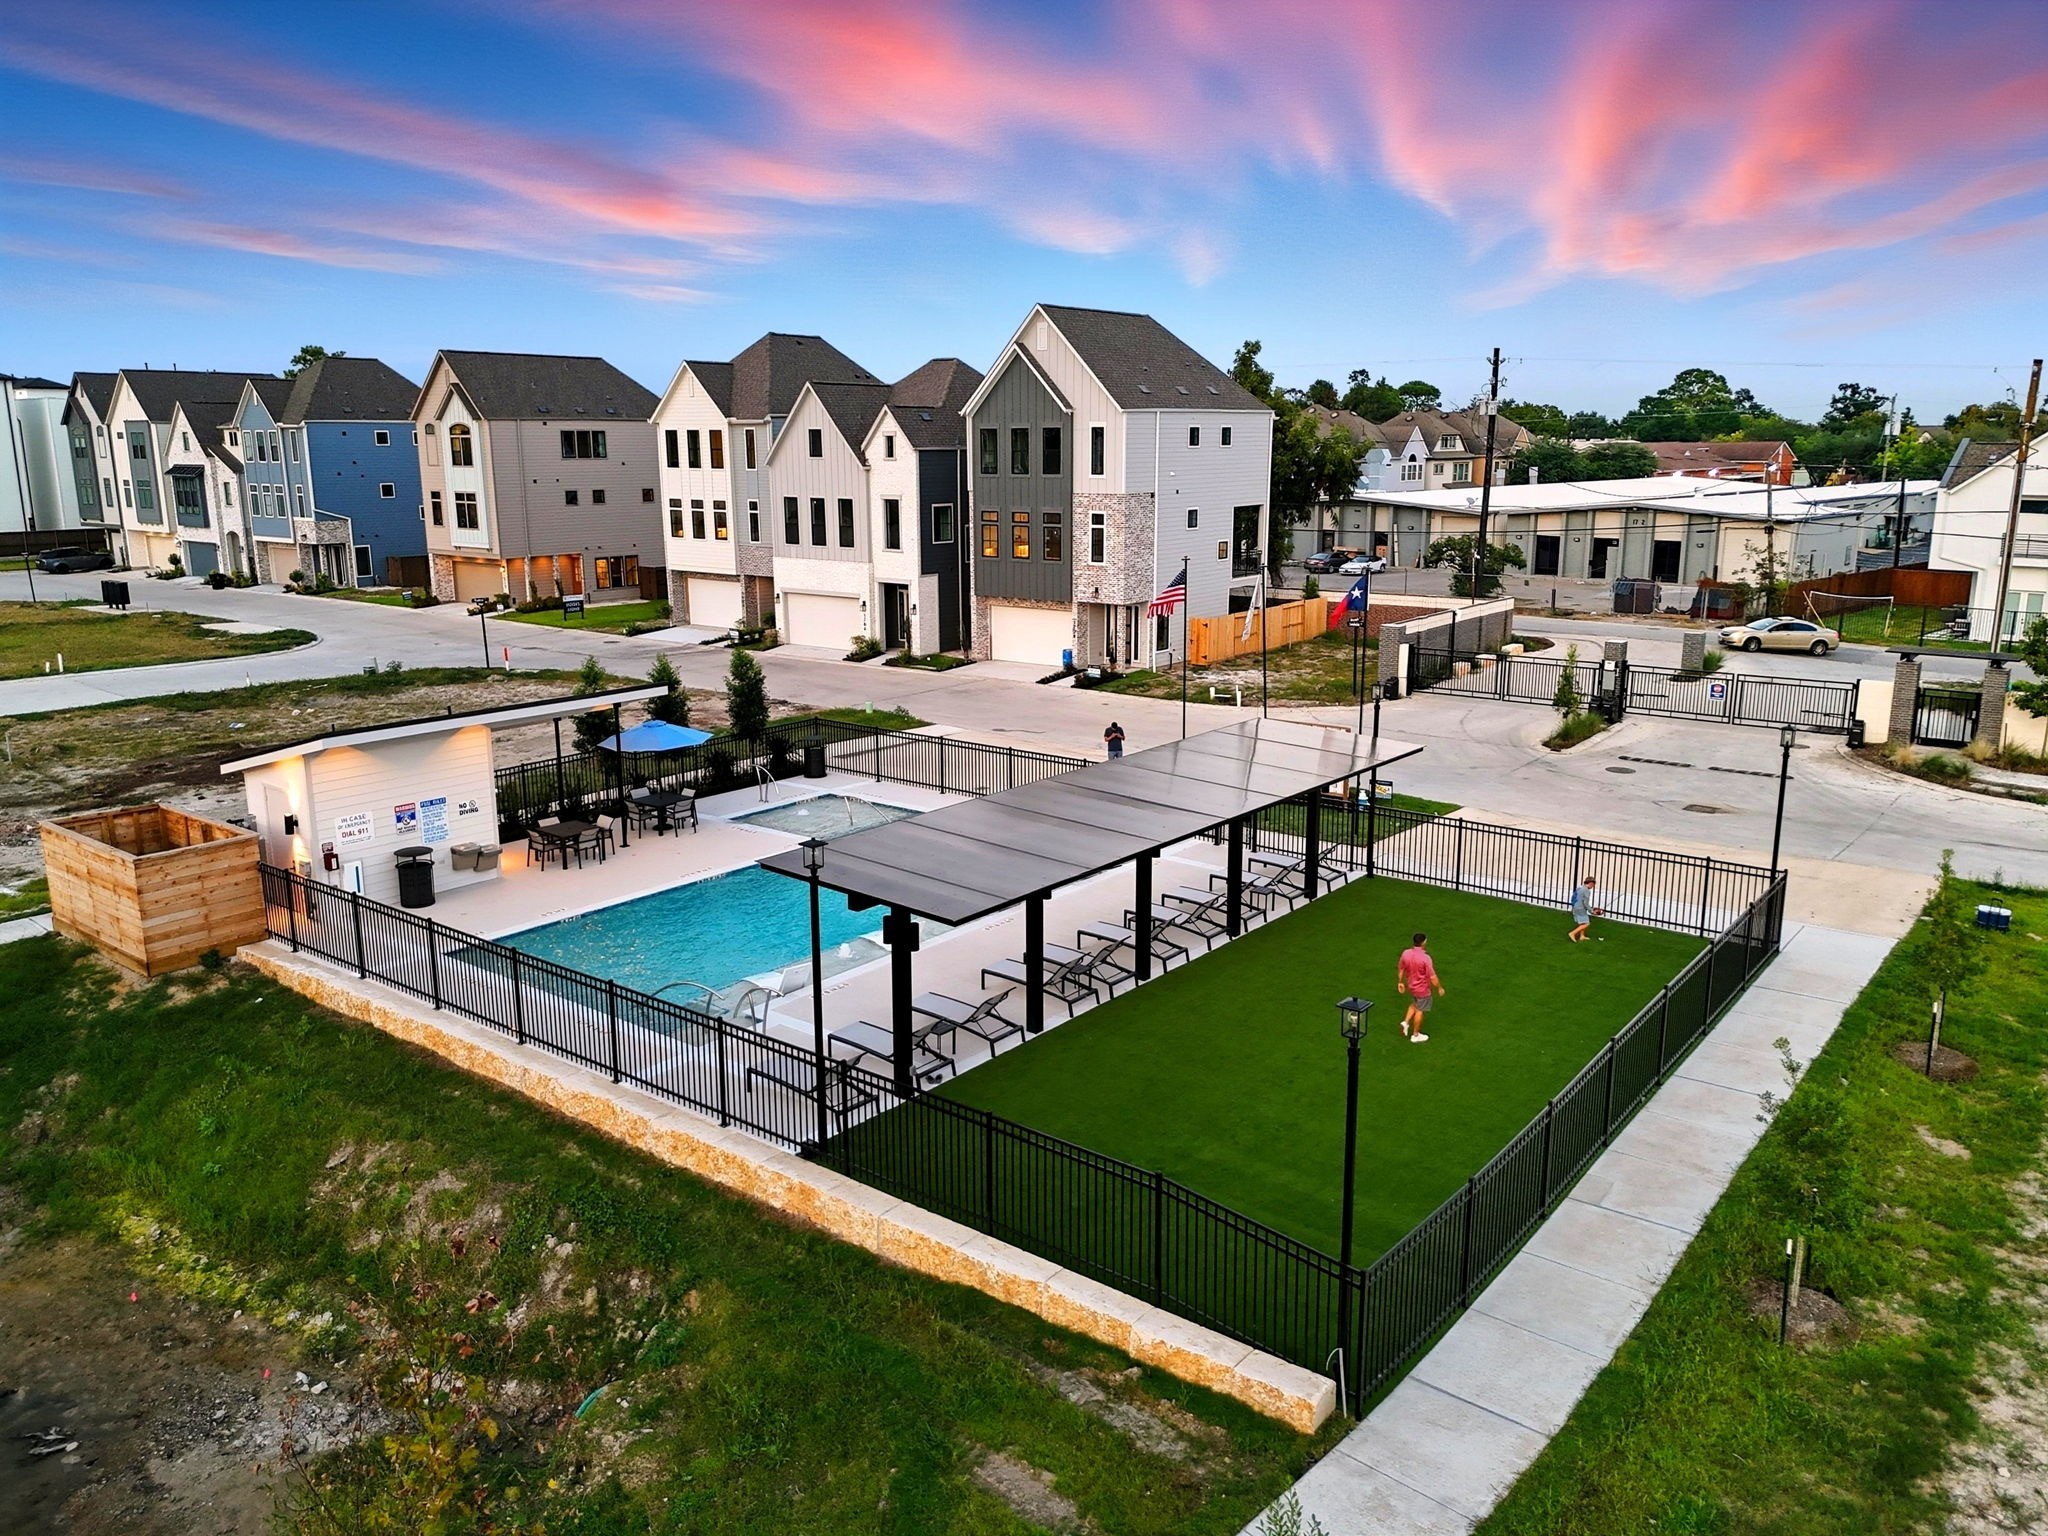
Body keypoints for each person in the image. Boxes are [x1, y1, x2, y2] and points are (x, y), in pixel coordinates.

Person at [1396, 932, 1444, 1042]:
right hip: (1422, 989)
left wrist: (1400, 982)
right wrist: (1439, 987)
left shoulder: (1406, 953)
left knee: (1415, 1003)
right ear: (1423, 943)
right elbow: (1432, 977)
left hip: (1411, 986)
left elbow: (1401, 969)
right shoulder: (1425, 958)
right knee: (1420, 1010)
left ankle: (1406, 1023)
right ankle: (1415, 1035)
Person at [1568, 876, 1602, 942]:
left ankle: (1582, 936)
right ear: (1591, 883)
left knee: (1582, 922)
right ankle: (1572, 933)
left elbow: (1573, 898)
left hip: (1575, 906)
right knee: (1586, 923)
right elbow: (1585, 903)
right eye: (1593, 885)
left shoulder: (1579, 888)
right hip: (1581, 908)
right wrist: (1591, 911)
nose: (1593, 886)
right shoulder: (1587, 891)